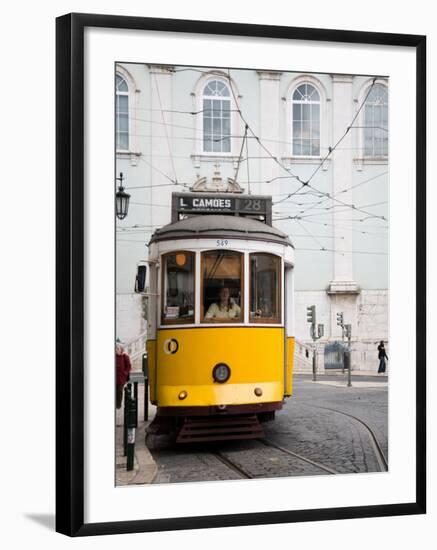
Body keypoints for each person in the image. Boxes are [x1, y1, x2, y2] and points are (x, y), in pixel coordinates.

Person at [116, 342, 131, 409]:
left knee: (119, 391)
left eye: (118, 348)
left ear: (121, 349)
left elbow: (129, 366)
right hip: (115, 376)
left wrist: (125, 373)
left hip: (121, 377)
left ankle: (118, 405)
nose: (116, 350)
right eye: (116, 348)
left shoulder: (125, 357)